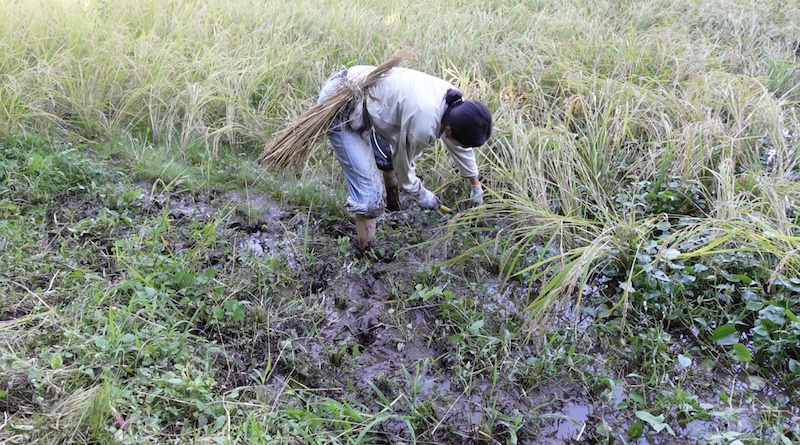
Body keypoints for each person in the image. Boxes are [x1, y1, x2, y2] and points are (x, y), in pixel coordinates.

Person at [318, 65, 493, 250]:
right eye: (465, 143)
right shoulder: (425, 124)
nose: (465, 148)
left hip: (369, 97)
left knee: (387, 158)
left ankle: (394, 211)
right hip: (342, 102)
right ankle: (366, 256)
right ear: (448, 130)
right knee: (369, 194)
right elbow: (403, 165)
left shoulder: (457, 105)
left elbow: (461, 147)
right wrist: (422, 194)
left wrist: (475, 184)